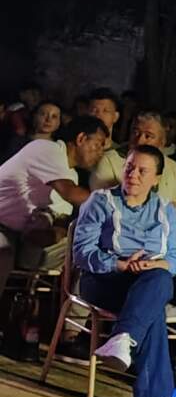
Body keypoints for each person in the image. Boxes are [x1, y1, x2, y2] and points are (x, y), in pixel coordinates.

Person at [72, 145, 176, 397]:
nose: (133, 175)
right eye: (129, 167)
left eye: (142, 171)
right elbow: (81, 252)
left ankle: (123, 338)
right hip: (104, 280)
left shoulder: (166, 210)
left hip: (147, 281)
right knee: (152, 305)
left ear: (156, 179)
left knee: (159, 280)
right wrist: (119, 264)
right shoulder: (100, 202)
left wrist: (154, 265)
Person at [0, 115, 107, 291]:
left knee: (85, 251)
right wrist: (113, 204)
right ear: (81, 138)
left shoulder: (70, 175)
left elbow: (60, 220)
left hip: (20, 236)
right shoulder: (47, 149)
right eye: (98, 144)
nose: (100, 152)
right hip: (2, 226)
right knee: (3, 254)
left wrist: (55, 231)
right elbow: (70, 193)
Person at [91, 109, 176, 242]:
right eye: (135, 132)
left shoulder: (173, 168)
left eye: (148, 136)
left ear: (162, 142)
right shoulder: (109, 161)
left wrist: (174, 249)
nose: (139, 140)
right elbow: (105, 210)